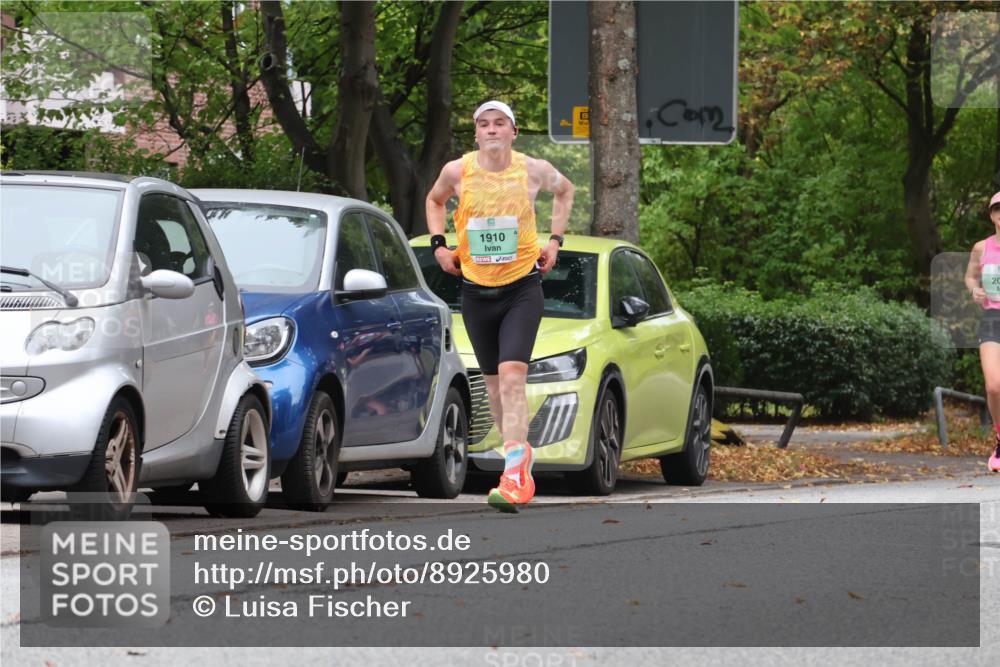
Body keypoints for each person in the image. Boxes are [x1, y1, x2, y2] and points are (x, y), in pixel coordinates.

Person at [425, 100, 575, 511]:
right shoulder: (457, 171)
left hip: (522, 288)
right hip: (475, 290)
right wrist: (439, 245)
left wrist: (555, 241)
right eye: (484, 124)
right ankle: (520, 451)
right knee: (492, 386)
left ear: (513, 131)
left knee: (512, 376)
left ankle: (512, 473)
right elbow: (434, 201)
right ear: (476, 134)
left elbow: (566, 191)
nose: (492, 130)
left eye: (500, 123)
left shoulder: (532, 169)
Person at [965, 190, 1000, 472]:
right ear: (991, 215)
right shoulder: (981, 247)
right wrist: (974, 290)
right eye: (997, 210)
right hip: (991, 318)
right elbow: (970, 276)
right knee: (993, 385)